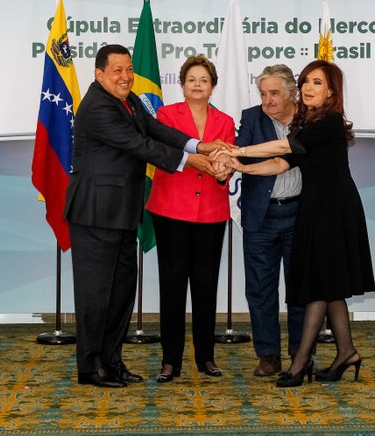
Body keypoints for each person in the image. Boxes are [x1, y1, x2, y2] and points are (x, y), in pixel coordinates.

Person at [64, 44, 229, 388]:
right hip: (95, 214)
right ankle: (91, 367)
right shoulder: (96, 107)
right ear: (99, 75)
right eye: (117, 71)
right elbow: (139, 145)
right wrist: (190, 161)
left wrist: (198, 146)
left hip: (123, 214)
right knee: (96, 295)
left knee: (120, 293)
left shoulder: (130, 100)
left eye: (128, 70)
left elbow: (156, 130)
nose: (125, 77)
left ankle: (111, 361)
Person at [212, 59, 375, 387]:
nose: (309, 88)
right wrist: (238, 165)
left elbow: (284, 146)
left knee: (318, 286)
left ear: (331, 91)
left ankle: (301, 361)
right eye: (306, 82)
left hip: (333, 211)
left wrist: (239, 150)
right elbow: (279, 164)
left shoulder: (328, 121)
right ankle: (346, 352)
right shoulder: (309, 123)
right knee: (327, 288)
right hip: (317, 211)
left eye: (317, 83)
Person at [145, 55, 234, 383]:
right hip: (170, 210)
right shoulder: (166, 115)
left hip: (211, 212)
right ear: (181, 85)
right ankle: (170, 361)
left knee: (206, 285)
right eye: (191, 79)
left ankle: (206, 357)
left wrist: (224, 173)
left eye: (204, 80)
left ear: (212, 86)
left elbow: (225, 165)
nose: (197, 85)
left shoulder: (225, 122)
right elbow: (163, 155)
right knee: (172, 286)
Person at [236, 64, 304, 377]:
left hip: (301, 215)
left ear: (292, 93)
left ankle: (301, 354)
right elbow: (241, 155)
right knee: (260, 289)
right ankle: (268, 355)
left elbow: (280, 159)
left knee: (301, 289)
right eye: (263, 93)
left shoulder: (309, 119)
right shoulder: (251, 118)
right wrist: (227, 161)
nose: (267, 100)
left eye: (274, 93)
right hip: (260, 217)